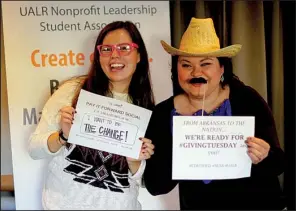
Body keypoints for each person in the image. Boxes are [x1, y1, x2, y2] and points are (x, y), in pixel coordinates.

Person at [143, 18, 285, 210]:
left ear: (222, 68)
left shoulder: (246, 99)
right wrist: (178, 152)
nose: (196, 72)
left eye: (205, 64)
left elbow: (278, 164)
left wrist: (264, 155)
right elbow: (155, 186)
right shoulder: (162, 114)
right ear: (176, 70)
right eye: (186, 65)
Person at [28, 21, 155, 210]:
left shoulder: (145, 108)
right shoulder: (72, 91)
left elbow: (143, 181)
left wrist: (135, 161)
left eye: (124, 48)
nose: (115, 55)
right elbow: (34, 149)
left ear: (139, 56)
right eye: (106, 49)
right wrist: (63, 137)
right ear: (98, 56)